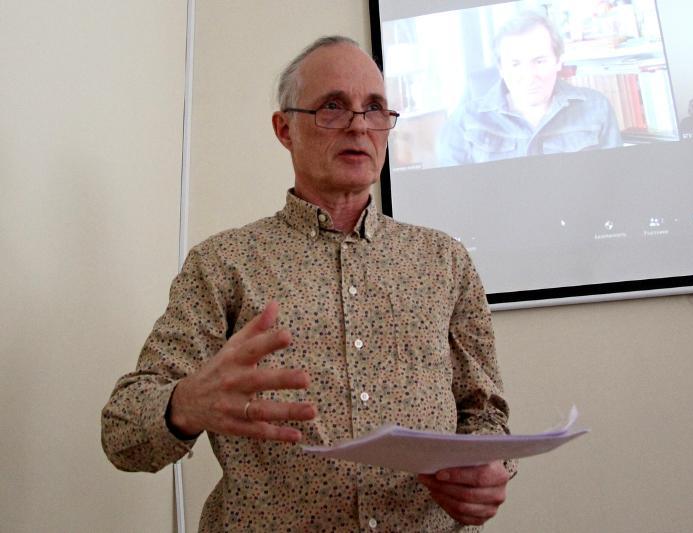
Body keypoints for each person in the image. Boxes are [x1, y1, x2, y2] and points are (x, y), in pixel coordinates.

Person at [101, 35, 514, 531]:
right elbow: (122, 434)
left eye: (375, 108)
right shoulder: (223, 264)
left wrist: (488, 468)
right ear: (285, 129)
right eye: (333, 107)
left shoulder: (444, 261)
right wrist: (184, 404)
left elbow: (484, 412)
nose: (359, 125)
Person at [438, 11, 622, 166]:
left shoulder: (598, 108)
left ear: (558, 61)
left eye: (539, 61)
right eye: (515, 64)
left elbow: (614, 181)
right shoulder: (463, 121)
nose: (529, 75)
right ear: (501, 69)